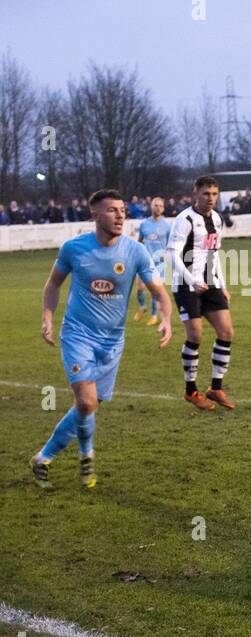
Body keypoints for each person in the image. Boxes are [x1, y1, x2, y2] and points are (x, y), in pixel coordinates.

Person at [30, 189, 174, 489]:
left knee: (89, 406)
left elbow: (159, 292)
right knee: (86, 400)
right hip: (77, 334)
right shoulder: (74, 249)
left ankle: (60, 456)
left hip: (113, 342)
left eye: (123, 210)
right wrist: (46, 316)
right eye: (112, 210)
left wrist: (166, 318)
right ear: (95, 215)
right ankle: (71, 456)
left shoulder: (135, 251)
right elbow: (53, 284)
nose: (121, 215)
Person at [167, 175, 235, 411]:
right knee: (195, 335)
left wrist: (222, 284)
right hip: (186, 284)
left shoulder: (217, 219)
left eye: (215, 194)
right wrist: (191, 280)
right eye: (206, 193)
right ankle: (191, 391)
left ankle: (215, 387)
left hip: (211, 284)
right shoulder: (184, 219)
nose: (210, 198)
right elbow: (173, 255)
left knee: (226, 332)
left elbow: (213, 255)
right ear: (195, 192)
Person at [133, 197, 170, 326]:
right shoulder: (144, 224)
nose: (158, 207)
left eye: (160, 205)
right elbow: (140, 241)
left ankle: (154, 315)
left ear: (163, 208)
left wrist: (167, 255)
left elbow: (171, 244)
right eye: (156, 205)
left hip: (159, 262)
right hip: (145, 260)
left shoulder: (167, 226)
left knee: (154, 290)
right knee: (139, 287)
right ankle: (143, 307)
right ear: (151, 207)